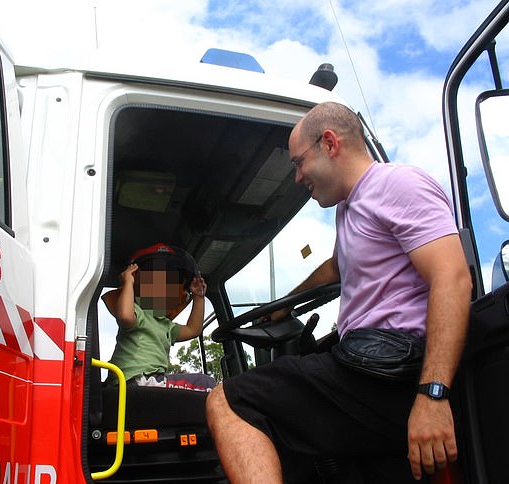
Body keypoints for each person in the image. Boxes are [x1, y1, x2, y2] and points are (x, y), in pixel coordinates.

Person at [206, 102, 472, 482]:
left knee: (230, 402)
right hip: (366, 363)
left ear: (329, 143)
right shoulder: (350, 207)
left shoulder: (397, 184)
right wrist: (282, 307)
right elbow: (335, 267)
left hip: (392, 372)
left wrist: (432, 395)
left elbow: (453, 277)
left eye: (298, 162)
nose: (298, 177)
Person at [104, 243, 215, 390]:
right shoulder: (138, 313)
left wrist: (198, 297)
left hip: (149, 381)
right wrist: (128, 283)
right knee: (206, 384)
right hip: (135, 379)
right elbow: (124, 315)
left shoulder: (165, 325)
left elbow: (193, 329)